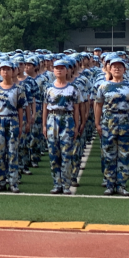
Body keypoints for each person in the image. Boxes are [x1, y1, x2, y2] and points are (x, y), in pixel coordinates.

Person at [94, 57, 129, 196]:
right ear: (109, 69)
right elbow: (98, 105)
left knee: (124, 155)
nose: (117, 69)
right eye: (114, 66)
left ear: (124, 69)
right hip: (109, 122)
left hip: (126, 122)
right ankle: (109, 184)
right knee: (109, 154)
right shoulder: (104, 86)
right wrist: (97, 123)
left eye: (120, 66)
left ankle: (121, 185)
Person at [42, 59, 80, 195]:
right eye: (57, 68)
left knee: (67, 154)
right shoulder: (49, 88)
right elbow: (45, 108)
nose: (59, 70)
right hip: (52, 119)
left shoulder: (73, 88)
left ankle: (66, 184)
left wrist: (76, 126)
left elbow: (76, 109)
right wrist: (44, 125)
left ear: (67, 70)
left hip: (67, 120)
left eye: (62, 68)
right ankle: (57, 184)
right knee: (53, 154)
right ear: (53, 70)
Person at [0, 61, 25, 193]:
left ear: (13, 71)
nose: (5, 72)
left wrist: (20, 125)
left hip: (13, 120)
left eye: (8, 69)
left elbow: (20, 108)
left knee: (12, 152)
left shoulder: (18, 89)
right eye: (3, 69)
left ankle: (13, 182)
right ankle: (0, 182)